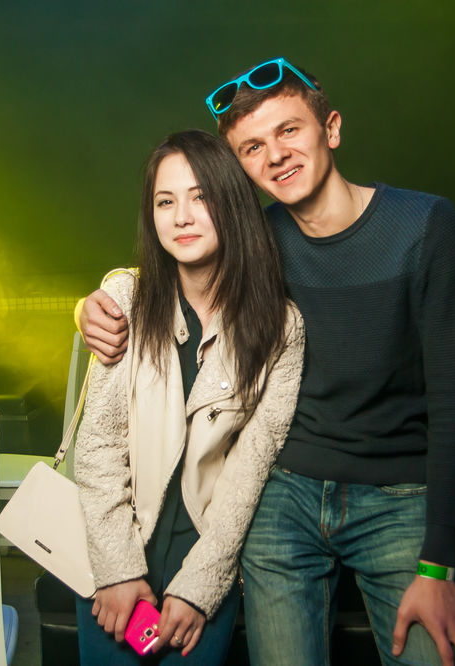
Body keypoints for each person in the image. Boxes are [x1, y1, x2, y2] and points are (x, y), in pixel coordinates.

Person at [77, 58, 455, 666]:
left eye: (289, 130)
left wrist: (438, 564)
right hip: (285, 493)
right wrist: (92, 306)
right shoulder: (256, 240)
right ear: (241, 169)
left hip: (398, 495)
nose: (275, 155)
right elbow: (167, 272)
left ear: (331, 129)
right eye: (252, 147)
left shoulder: (425, 225)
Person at [73, 129, 305, 665]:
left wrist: (202, 584)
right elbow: (99, 446)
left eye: (200, 197)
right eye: (165, 201)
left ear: (232, 204)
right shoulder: (125, 299)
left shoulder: (281, 327)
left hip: (202, 561)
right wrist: (117, 569)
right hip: (115, 550)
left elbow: (250, 471)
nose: (181, 217)